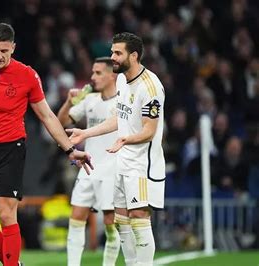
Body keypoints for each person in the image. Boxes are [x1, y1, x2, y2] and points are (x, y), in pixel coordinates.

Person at [0, 23, 93, 266]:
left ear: (13, 48)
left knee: (6, 213)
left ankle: (11, 264)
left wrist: (69, 148)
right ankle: (14, 262)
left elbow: (46, 115)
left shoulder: (27, 75)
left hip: (10, 149)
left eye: (4, 50)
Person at [67, 32, 165, 266]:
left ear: (134, 55)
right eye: (112, 52)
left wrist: (125, 140)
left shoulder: (150, 87)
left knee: (139, 216)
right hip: (123, 161)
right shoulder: (122, 80)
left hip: (142, 163)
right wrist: (86, 133)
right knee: (121, 221)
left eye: (118, 53)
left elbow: (149, 130)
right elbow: (119, 119)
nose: (113, 57)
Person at [57, 57, 120, 266]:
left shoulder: (123, 103)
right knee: (76, 218)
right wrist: (68, 102)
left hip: (112, 169)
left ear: (113, 75)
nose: (92, 77)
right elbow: (61, 123)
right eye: (93, 72)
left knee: (111, 223)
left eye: (98, 73)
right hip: (88, 168)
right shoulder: (90, 100)